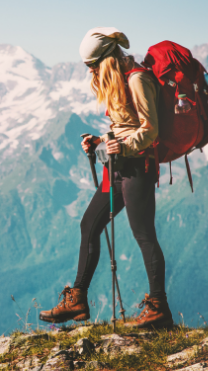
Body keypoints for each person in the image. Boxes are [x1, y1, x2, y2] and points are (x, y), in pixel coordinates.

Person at [39, 27, 173, 329]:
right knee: (89, 224)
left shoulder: (137, 79)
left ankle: (159, 308)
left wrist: (122, 146)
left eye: (94, 66)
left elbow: (151, 130)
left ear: (107, 59)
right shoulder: (120, 80)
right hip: (118, 165)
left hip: (138, 168)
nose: (92, 72)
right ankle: (77, 300)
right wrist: (100, 140)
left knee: (144, 235)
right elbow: (127, 125)